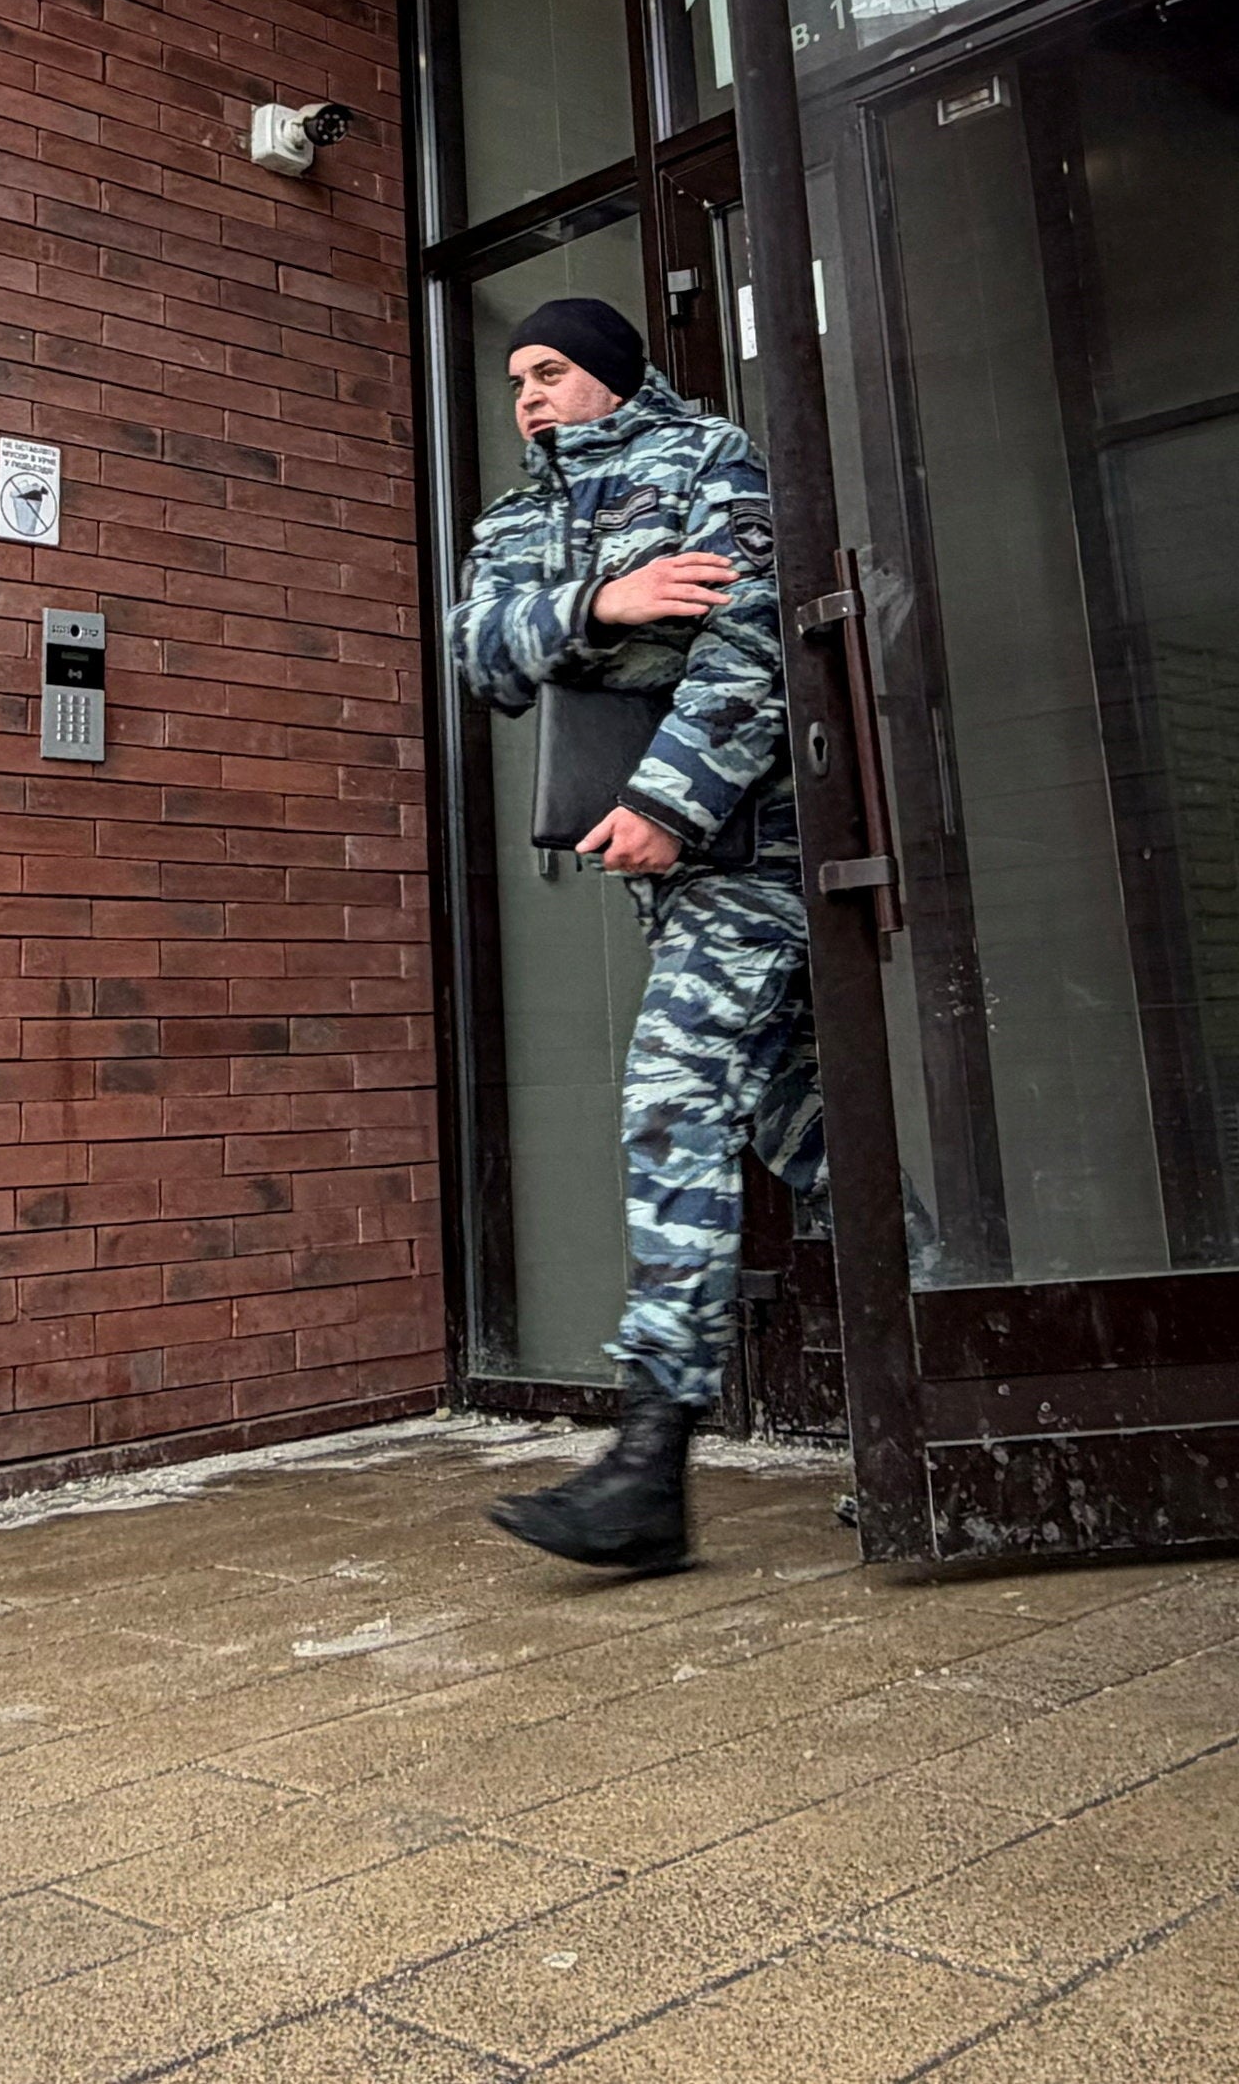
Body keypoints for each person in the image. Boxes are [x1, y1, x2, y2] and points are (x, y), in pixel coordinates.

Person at [449, 294, 817, 1578]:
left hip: (751, 850)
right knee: (808, 1136)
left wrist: (669, 799)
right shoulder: (514, 513)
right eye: (514, 380)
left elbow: (753, 647)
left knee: (668, 1098)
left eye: (551, 371)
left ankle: (648, 1464)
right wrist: (603, 604)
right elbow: (479, 653)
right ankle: (979, 1373)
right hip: (670, 870)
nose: (529, 396)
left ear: (611, 373)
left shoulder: (711, 461)